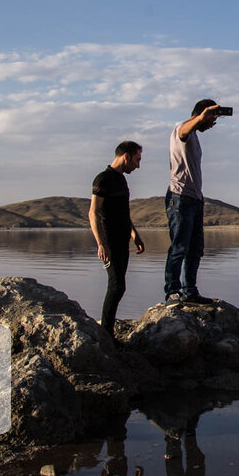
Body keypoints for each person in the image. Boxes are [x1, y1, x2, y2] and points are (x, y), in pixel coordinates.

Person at [164, 99, 223, 302]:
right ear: (201, 114)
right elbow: (183, 132)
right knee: (179, 247)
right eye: (212, 119)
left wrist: (200, 196)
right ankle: (172, 292)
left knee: (195, 249)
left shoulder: (195, 137)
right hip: (180, 198)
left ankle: (190, 292)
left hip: (194, 199)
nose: (212, 124)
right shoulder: (182, 128)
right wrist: (200, 117)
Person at [90, 141, 145, 338]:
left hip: (123, 240)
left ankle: (107, 330)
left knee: (119, 286)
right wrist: (101, 243)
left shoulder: (122, 180)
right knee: (116, 286)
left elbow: (123, 213)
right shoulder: (103, 179)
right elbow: (93, 213)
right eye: (137, 160)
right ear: (126, 156)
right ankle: (106, 334)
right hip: (110, 242)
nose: (138, 166)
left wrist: (135, 235)